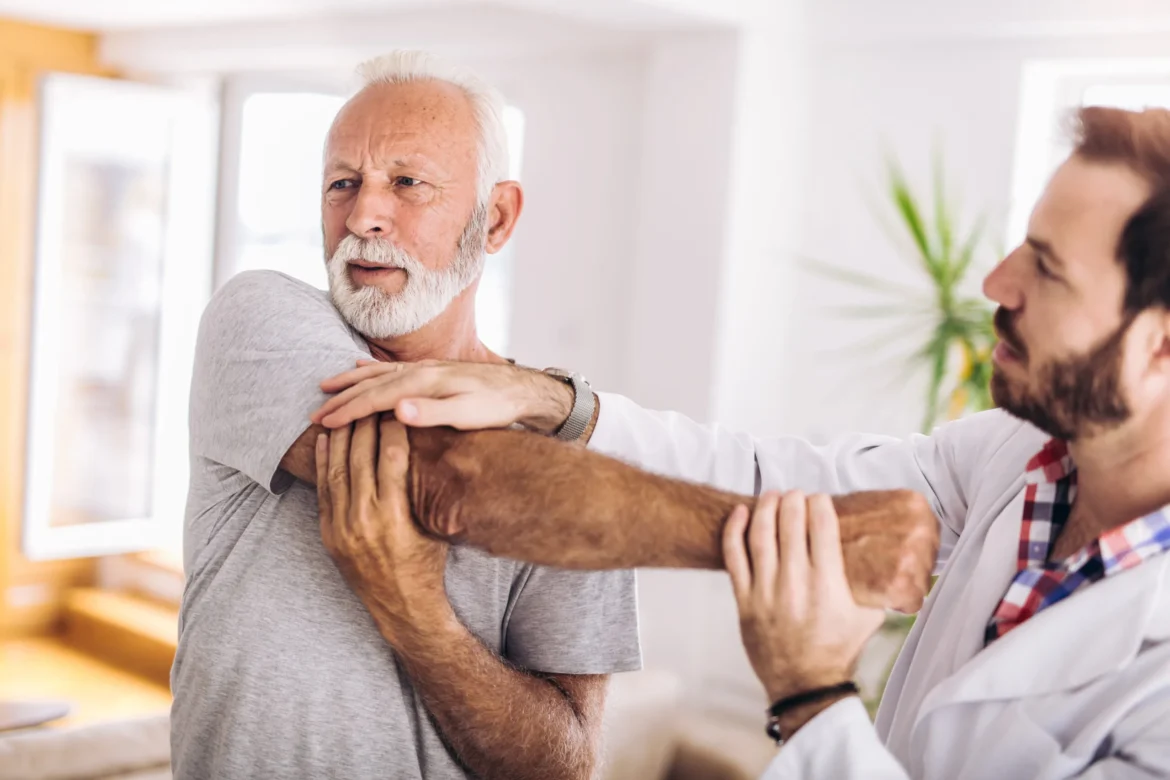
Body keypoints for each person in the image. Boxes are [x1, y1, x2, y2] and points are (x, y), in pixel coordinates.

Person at [311, 105, 1170, 778]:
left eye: (1048, 267)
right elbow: (770, 479)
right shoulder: (1016, 459)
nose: (995, 282)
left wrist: (812, 695)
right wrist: (552, 401)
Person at [171, 51, 643, 780]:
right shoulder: (257, 320)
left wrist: (421, 618)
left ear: (497, 217)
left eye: (407, 183)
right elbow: (429, 477)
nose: (363, 216)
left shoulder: (578, 454)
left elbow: (565, 766)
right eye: (343, 184)